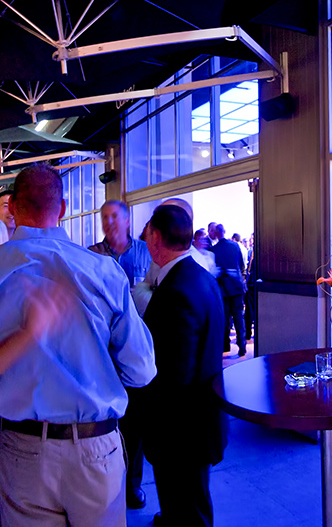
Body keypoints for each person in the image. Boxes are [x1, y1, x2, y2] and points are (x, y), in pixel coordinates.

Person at [0, 165, 156, 527]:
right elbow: (142, 370)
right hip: (96, 445)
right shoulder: (104, 271)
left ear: (13, 209)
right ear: (63, 208)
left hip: (23, 447)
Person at [139, 204, 227, 527]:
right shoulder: (201, 277)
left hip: (180, 434)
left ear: (156, 239)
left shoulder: (176, 290)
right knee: (193, 504)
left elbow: (176, 375)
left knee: (187, 511)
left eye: (147, 234)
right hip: (200, 422)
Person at [88, 199, 153, 511]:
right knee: (109, 420)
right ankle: (108, 483)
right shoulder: (91, 255)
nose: (109, 222)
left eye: (115, 216)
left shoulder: (145, 253)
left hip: (139, 349)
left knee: (136, 423)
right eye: (104, 217)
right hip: (104, 354)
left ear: (128, 220)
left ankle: (132, 484)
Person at [208, 223, 247, 356]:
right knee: (238, 317)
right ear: (224, 232)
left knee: (224, 319)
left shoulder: (214, 250)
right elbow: (241, 265)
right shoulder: (235, 246)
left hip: (223, 289)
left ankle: (225, 345)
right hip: (236, 287)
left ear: (217, 234)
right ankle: (242, 346)